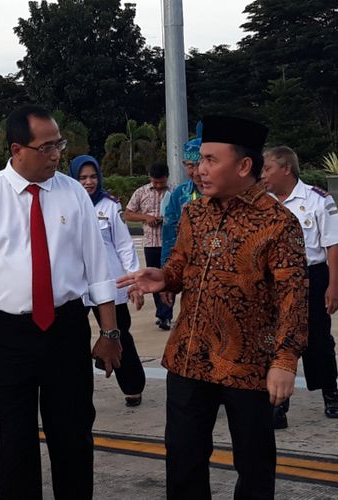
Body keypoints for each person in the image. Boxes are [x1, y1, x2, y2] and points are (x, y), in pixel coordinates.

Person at [118, 115, 308, 499]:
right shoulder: (195, 212)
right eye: (200, 160)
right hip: (190, 359)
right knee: (183, 462)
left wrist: (285, 361)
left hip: (250, 364)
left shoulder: (278, 223)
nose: (200, 170)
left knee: (254, 466)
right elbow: (182, 262)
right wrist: (165, 277)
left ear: (243, 166)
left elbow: (293, 297)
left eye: (210, 160)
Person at [0, 104, 121, 500]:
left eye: (58, 144)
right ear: (17, 149)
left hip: (66, 328)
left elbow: (97, 270)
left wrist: (109, 331)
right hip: (11, 335)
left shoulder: (73, 193)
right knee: (15, 438)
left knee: (73, 433)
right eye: (46, 147)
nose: (56, 154)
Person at [261, 145, 338, 427]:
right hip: (273, 279)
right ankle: (278, 403)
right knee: (276, 339)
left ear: (286, 169)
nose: (263, 174)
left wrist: (334, 286)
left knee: (317, 339)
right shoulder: (262, 202)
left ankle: (330, 392)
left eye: (268, 168)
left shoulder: (318, 200)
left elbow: (333, 246)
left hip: (311, 276)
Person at [69, 154, 146, 407]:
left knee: (119, 333)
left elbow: (124, 245)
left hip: (111, 284)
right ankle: (76, 390)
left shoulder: (110, 206)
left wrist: (134, 280)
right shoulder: (65, 204)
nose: (88, 182)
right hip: (77, 286)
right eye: (82, 177)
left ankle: (133, 386)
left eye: (92, 177)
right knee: (74, 339)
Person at [124, 162, 174, 330]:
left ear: (167, 177)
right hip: (151, 243)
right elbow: (128, 213)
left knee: (169, 278)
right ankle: (161, 313)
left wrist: (166, 219)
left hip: (169, 243)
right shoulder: (141, 192)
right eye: (155, 182)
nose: (158, 186)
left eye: (161, 182)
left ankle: (166, 315)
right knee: (153, 278)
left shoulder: (174, 192)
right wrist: (146, 218)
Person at [161, 136, 203, 265]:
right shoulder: (179, 194)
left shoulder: (223, 192)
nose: (196, 172)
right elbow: (169, 235)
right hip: (187, 265)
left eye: (200, 164)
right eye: (190, 166)